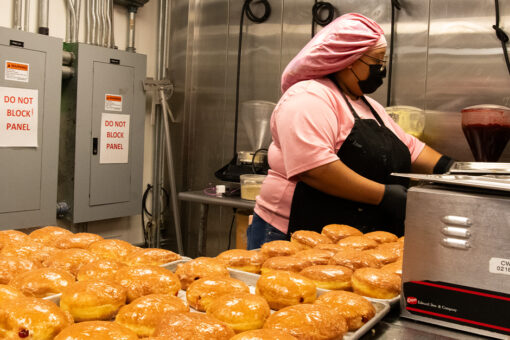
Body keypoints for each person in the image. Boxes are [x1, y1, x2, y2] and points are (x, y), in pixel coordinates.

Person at [246, 13, 453, 250]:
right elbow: (314, 169)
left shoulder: (369, 106)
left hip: (346, 238)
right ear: (349, 60)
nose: (381, 70)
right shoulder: (307, 98)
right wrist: (384, 196)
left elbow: (410, 148)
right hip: (289, 233)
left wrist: (454, 170)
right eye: (377, 61)